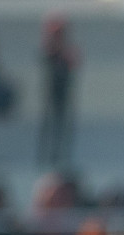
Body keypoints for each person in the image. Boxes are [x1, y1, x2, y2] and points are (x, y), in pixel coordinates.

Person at [38, 16, 79, 168]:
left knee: (63, 128)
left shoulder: (68, 52)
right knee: (49, 128)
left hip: (64, 95)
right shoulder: (49, 52)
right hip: (51, 96)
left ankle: (61, 158)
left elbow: (73, 65)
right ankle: (47, 159)